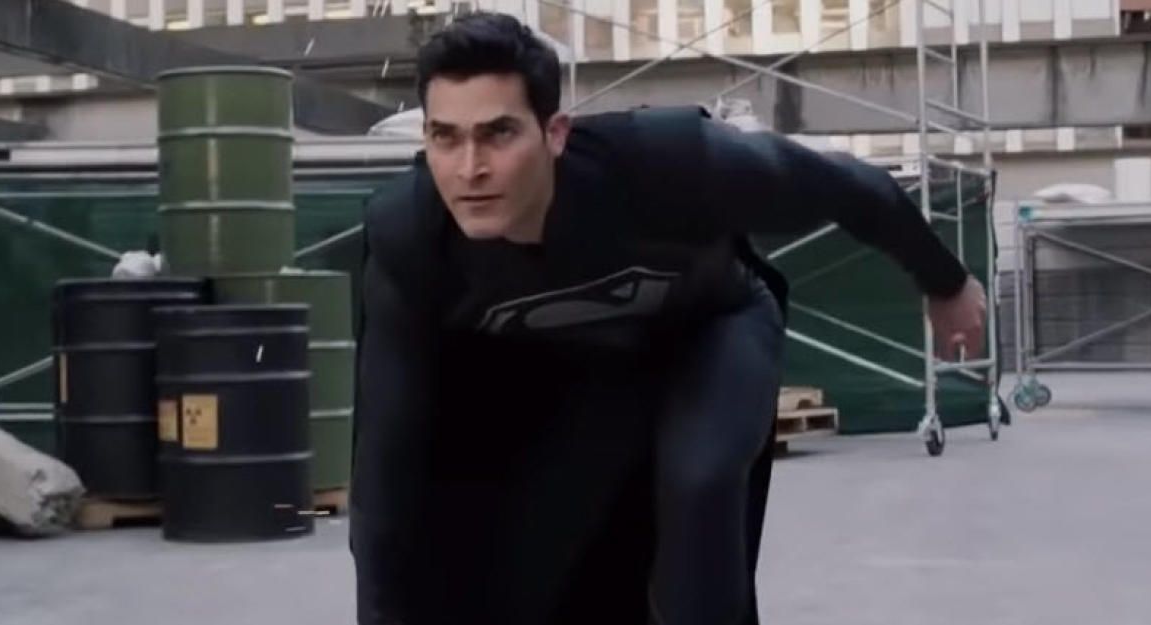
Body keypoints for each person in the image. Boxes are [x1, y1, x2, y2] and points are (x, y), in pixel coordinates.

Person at [349, 11, 987, 625]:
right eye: (445, 138)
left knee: (697, 487)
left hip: (707, 329)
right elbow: (384, 476)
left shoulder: (666, 165)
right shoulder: (411, 237)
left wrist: (947, 283)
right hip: (566, 367)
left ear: (555, 134)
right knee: (506, 540)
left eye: (499, 134)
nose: (470, 170)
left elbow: (851, 188)